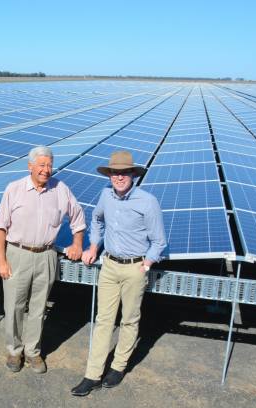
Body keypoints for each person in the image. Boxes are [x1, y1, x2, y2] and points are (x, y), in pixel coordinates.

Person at [71, 150, 167, 396]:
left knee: (129, 319)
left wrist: (146, 264)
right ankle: (92, 374)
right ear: (110, 174)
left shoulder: (148, 202)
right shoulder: (105, 195)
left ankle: (118, 367)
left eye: (124, 172)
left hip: (135, 268)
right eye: (115, 172)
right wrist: (94, 246)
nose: (119, 177)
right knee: (103, 320)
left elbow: (159, 241)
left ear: (133, 175)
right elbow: (96, 220)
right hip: (109, 266)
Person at [0, 146, 86, 374]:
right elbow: (0, 227)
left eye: (49, 165)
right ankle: (14, 351)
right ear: (30, 166)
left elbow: (78, 217)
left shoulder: (61, 189)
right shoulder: (14, 189)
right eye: (42, 165)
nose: (46, 170)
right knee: (13, 306)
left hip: (46, 255)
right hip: (18, 253)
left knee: (38, 307)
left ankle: (33, 351)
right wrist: (1, 260)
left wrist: (77, 244)